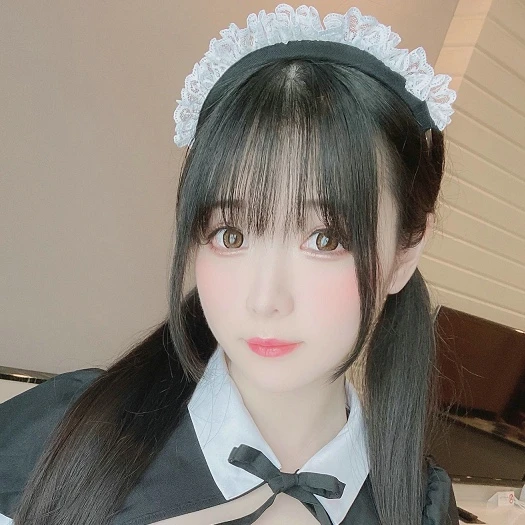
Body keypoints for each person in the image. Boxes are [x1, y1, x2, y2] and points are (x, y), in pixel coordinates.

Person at [0, 4, 460, 524]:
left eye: (326, 239)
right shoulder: (57, 436)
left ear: (405, 251)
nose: (265, 299)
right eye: (231, 234)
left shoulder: (418, 507)